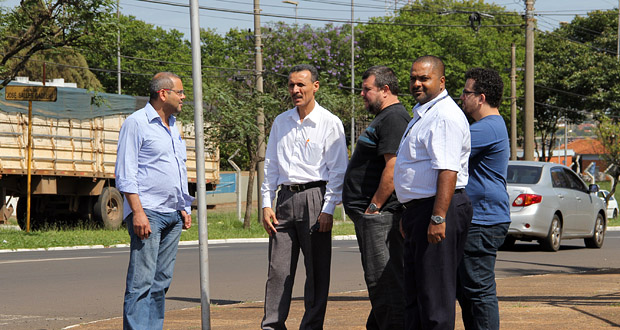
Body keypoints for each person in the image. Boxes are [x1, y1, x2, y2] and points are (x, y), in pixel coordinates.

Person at [260, 64, 348, 330]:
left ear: (315, 87)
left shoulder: (329, 122)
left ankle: (311, 326)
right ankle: (272, 325)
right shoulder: (281, 122)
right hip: (284, 199)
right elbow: (271, 165)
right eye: (291, 85)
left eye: (301, 85)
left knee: (317, 272)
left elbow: (338, 170)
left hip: (315, 198)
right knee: (278, 270)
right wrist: (266, 203)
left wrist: (329, 208)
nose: (295, 90)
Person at [393, 55, 473, 330]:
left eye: (424, 78)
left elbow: (448, 171)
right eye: (413, 77)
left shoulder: (444, 117)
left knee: (435, 299)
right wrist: (411, 214)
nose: (416, 83)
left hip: (439, 208)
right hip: (421, 210)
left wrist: (438, 217)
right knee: (415, 296)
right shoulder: (423, 113)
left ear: (441, 81)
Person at [115, 72, 194, 330]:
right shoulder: (136, 123)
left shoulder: (174, 125)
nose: (183, 97)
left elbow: (177, 168)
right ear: (163, 94)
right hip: (148, 213)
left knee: (161, 282)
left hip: (173, 213)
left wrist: (184, 206)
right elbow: (126, 173)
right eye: (179, 92)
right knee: (141, 282)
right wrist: (137, 212)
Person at [342, 65, 410, 330]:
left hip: (380, 217)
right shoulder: (385, 117)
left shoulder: (393, 118)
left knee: (384, 285)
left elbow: (393, 168)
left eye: (367, 88)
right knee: (381, 284)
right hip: (374, 217)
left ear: (385, 89)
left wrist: (374, 207)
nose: (362, 93)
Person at [456, 68, 511, 330]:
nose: (461, 97)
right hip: (479, 218)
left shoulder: (487, 128)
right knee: (467, 292)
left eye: (466, 93)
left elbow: (449, 148)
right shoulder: (486, 126)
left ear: (481, 98)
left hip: (483, 220)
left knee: (478, 290)